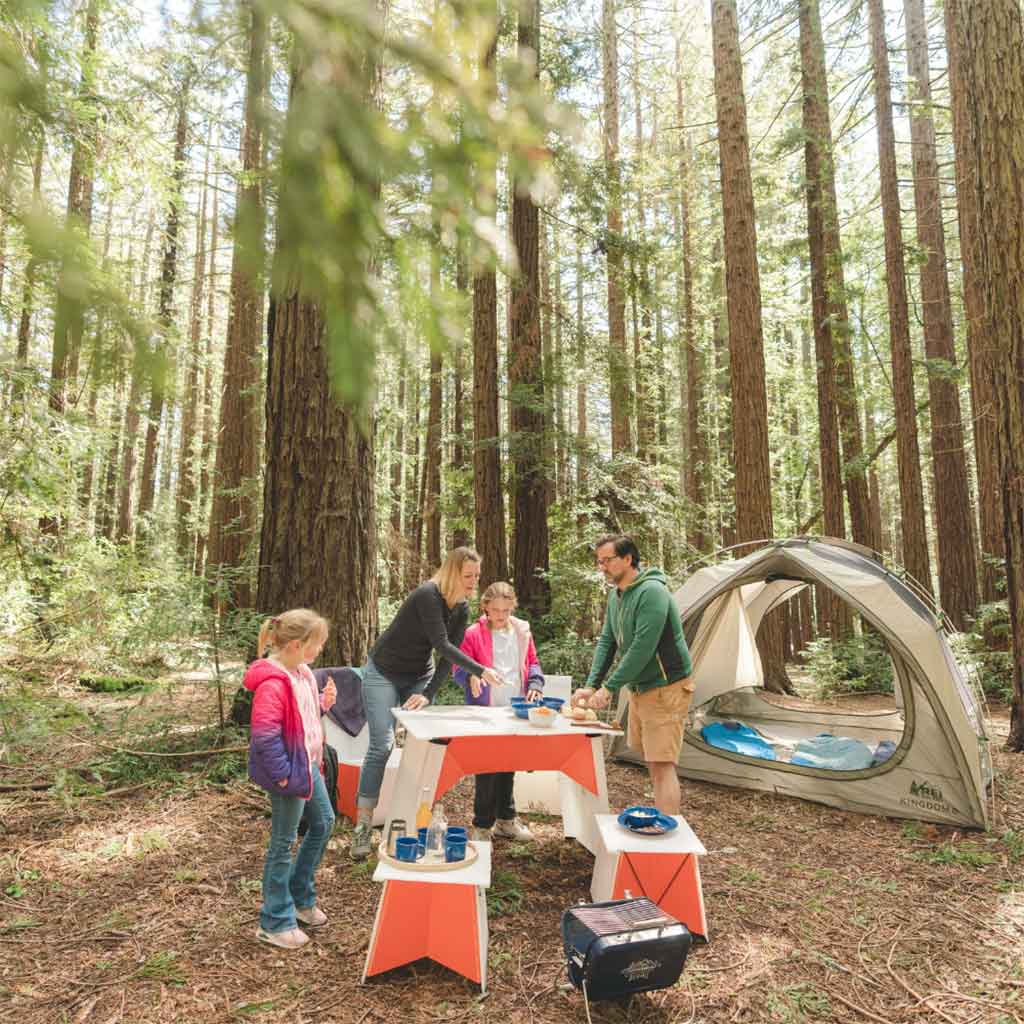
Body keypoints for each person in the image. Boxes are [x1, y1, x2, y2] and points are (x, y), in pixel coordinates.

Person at [350, 547, 503, 860]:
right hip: (384, 672)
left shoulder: (461, 608)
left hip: (419, 674)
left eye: (477, 575)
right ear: (452, 573)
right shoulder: (427, 595)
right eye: (468, 576)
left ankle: (414, 818)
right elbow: (441, 644)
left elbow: (445, 659)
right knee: (382, 745)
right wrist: (480, 669)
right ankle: (363, 824)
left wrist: (428, 693)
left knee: (425, 742)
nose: (474, 582)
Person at [576, 534, 693, 815]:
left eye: (607, 560)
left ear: (628, 559)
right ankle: (664, 823)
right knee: (653, 761)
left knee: (662, 764)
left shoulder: (652, 592)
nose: (602, 567)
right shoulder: (616, 595)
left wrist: (609, 687)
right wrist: (592, 685)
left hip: (666, 686)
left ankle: (669, 829)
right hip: (641, 687)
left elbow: (643, 647)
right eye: (599, 562)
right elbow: (608, 641)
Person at [244, 609, 337, 950]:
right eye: (317, 643)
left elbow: (301, 718)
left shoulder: (303, 673)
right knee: (283, 844)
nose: (320, 650)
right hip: (288, 773)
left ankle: (299, 898)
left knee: (324, 823)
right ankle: (274, 921)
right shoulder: (273, 683)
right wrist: (283, 776)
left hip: (308, 765)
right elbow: (265, 737)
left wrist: (323, 704)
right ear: (296, 644)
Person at [454, 581, 545, 842]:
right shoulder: (473, 633)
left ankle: (506, 819)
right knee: (486, 767)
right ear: (485, 607)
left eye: (506, 610)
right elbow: (458, 668)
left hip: (515, 708)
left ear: (513, 607)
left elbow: (532, 662)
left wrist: (535, 684)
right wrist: (471, 676)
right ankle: (482, 825)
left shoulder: (522, 631)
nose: (501, 616)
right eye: (495, 610)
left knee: (508, 764)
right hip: (486, 710)